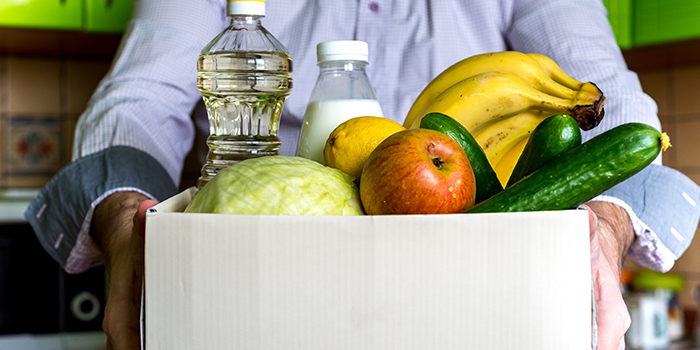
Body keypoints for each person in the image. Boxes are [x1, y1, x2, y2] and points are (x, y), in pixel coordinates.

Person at [23, 1, 700, 349]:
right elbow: (138, 100)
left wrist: (606, 232)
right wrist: (125, 224)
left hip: (467, 301)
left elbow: (614, 105)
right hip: (251, 299)